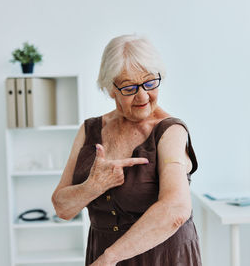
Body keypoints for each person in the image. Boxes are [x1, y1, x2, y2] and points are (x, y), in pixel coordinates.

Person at [52, 34, 201, 266]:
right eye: (130, 87)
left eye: (150, 83)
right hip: (102, 255)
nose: (143, 96)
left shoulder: (170, 131)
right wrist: (93, 186)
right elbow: (62, 207)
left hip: (163, 257)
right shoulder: (90, 130)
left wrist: (109, 258)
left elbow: (176, 209)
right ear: (111, 88)